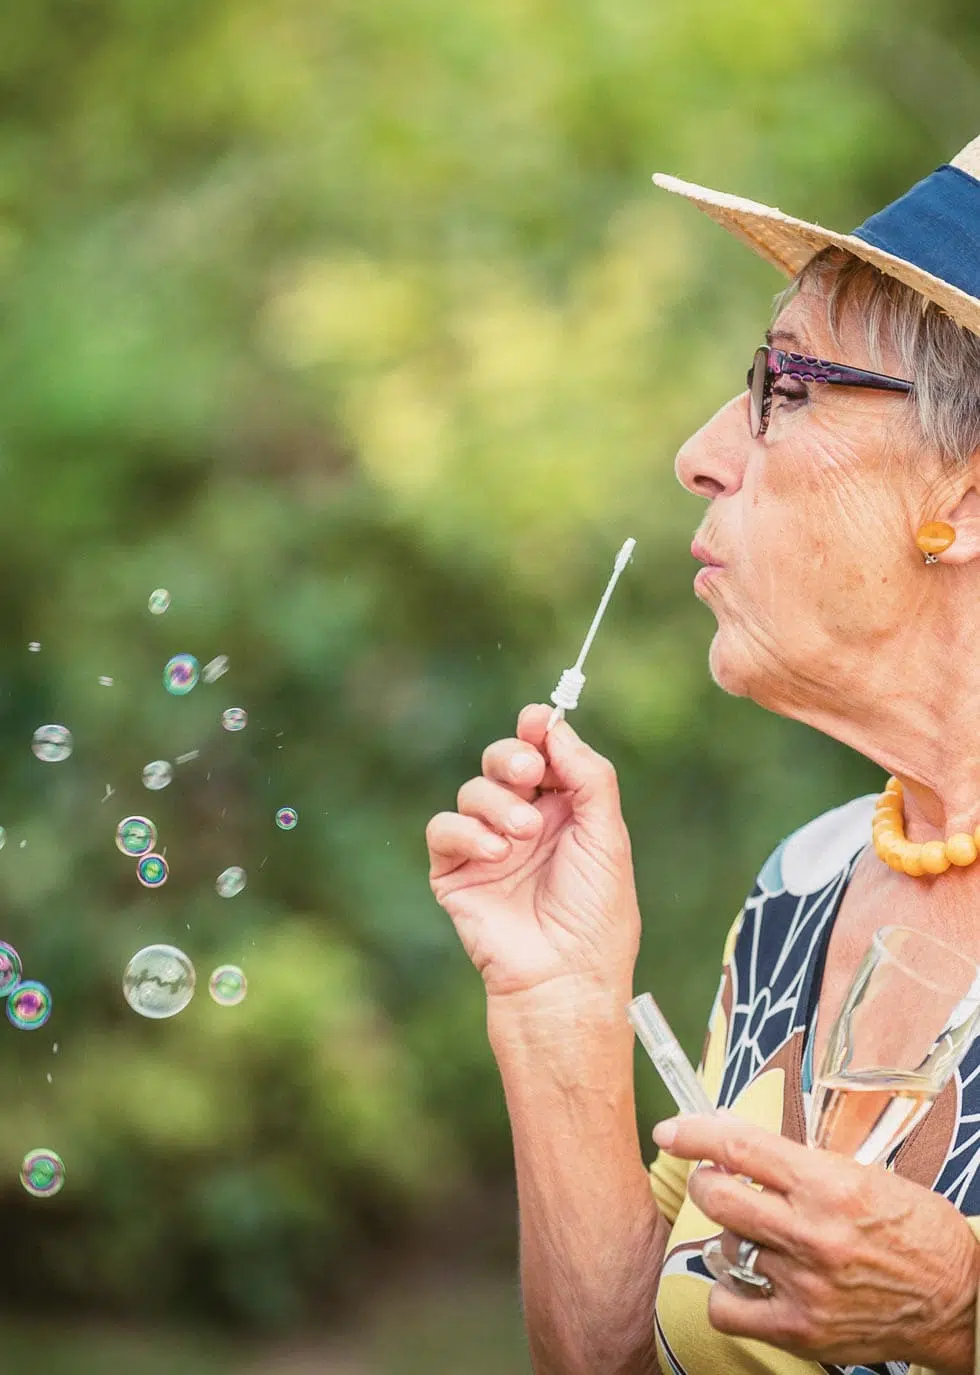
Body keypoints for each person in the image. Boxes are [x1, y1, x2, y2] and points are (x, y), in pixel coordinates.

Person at [425, 132, 980, 1375]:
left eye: (786, 383)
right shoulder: (803, 885)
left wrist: (959, 1312)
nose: (701, 450)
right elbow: (632, 1357)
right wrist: (557, 1006)